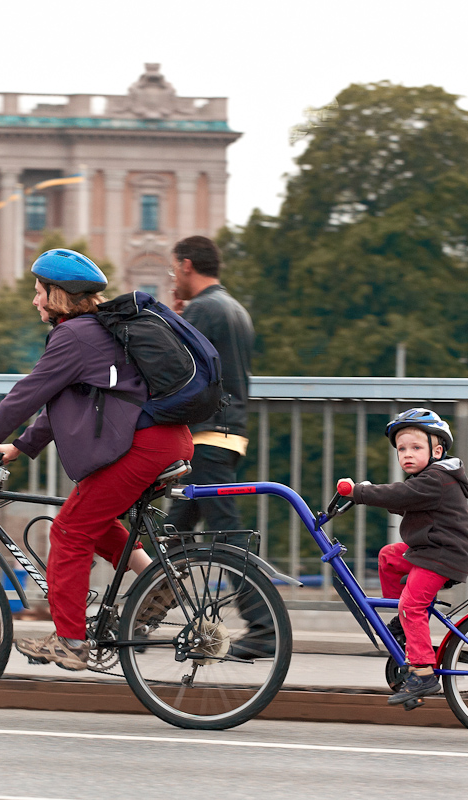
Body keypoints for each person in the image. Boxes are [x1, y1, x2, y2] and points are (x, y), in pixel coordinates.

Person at [0, 248, 193, 671]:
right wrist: (21, 446)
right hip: (162, 440)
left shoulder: (74, 336)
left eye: (39, 291)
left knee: (67, 532)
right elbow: (60, 401)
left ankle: (70, 641)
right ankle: (156, 580)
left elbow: (25, 396)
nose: (34, 300)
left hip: (145, 445)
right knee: (90, 521)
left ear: (57, 294)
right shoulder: (93, 331)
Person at [163, 235, 271, 656]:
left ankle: (263, 629)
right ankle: (139, 617)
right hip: (224, 434)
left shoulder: (205, 309)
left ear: (187, 265)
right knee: (174, 534)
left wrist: (174, 320)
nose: (174, 277)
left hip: (207, 435)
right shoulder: (233, 308)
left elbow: (175, 368)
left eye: (175, 270)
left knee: (226, 535)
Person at [336, 408, 468, 706]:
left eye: (416, 447)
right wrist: (371, 494)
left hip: (442, 555)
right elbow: (402, 500)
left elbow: (399, 495)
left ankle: (423, 673)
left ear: (436, 450)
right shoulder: (429, 479)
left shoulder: (436, 477)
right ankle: (403, 624)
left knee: (412, 604)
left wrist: (360, 492)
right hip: (430, 550)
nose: (407, 454)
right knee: (389, 556)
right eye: (402, 449)